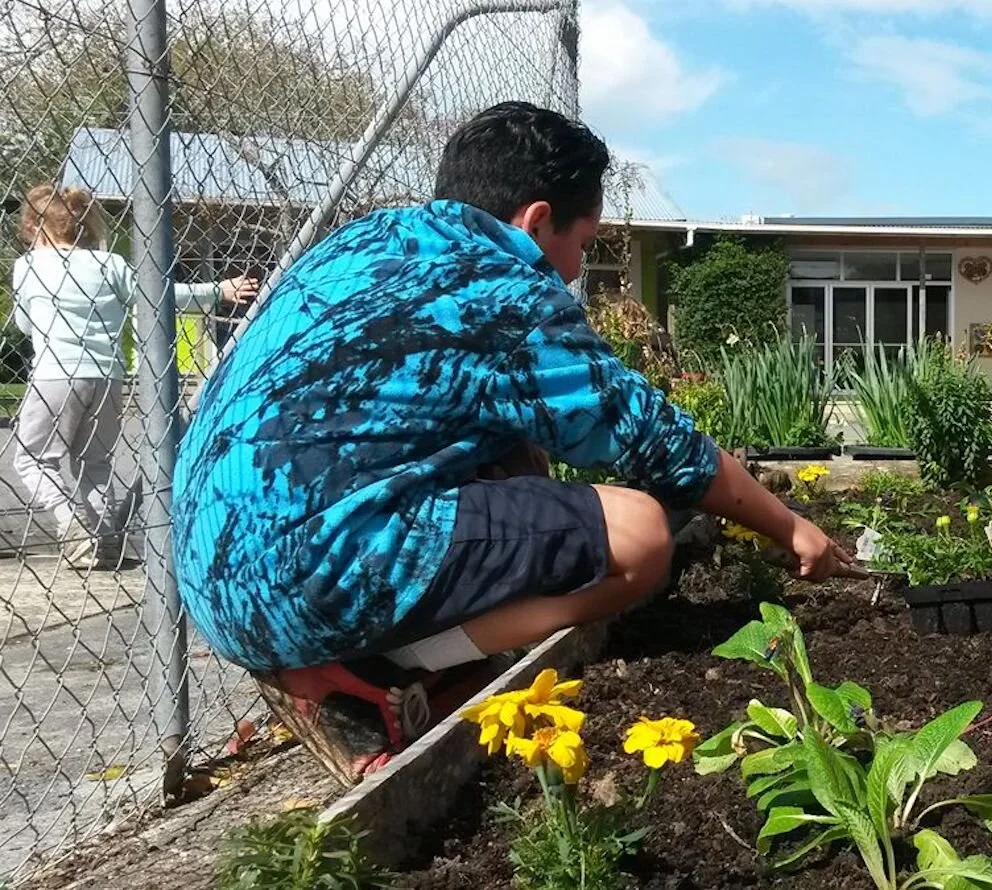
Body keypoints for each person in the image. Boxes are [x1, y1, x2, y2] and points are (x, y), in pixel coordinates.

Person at [172, 101, 853, 779]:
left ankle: (395, 657)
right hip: (301, 577)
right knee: (639, 538)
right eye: (581, 245)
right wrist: (790, 527)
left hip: (213, 569)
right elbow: (655, 444)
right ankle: (378, 672)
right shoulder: (502, 290)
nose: (574, 271)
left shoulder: (367, 241)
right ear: (536, 220)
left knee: (518, 456)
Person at [9, 184, 257, 569]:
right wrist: (217, 291)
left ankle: (70, 522)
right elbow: (161, 296)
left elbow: (25, 325)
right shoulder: (110, 264)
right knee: (96, 462)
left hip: (54, 373)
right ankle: (105, 542)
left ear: (32, 226)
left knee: (32, 458)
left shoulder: (27, 267)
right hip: (107, 375)